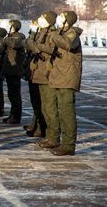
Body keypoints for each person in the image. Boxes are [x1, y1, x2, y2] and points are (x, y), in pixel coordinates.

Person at [47, 11, 83, 156]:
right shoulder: (60, 32)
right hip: (59, 76)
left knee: (67, 113)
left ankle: (68, 145)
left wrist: (54, 36)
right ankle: (62, 142)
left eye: (62, 16)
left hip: (68, 77)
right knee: (61, 111)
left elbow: (69, 45)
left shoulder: (72, 33)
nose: (59, 17)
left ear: (67, 20)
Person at [27, 11, 59, 149]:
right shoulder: (41, 33)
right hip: (38, 73)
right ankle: (47, 133)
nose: (39, 19)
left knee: (49, 108)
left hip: (46, 74)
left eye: (42, 17)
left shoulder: (52, 34)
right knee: (42, 107)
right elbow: (29, 45)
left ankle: (53, 137)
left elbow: (46, 49)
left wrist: (36, 45)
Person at [23, 19, 47, 137]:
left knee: (40, 102)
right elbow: (27, 44)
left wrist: (32, 34)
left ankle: (41, 127)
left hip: (40, 72)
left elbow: (33, 46)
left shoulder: (42, 35)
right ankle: (35, 124)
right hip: (33, 71)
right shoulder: (36, 35)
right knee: (35, 102)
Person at [2, 20, 25, 124]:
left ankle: (16, 116)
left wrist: (6, 39)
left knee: (15, 94)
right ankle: (12, 114)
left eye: (10, 26)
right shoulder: (10, 36)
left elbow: (14, 45)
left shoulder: (19, 36)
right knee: (11, 94)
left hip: (15, 69)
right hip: (9, 69)